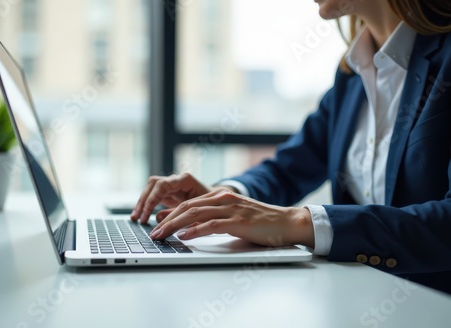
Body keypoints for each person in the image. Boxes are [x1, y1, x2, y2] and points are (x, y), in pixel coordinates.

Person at [131, 0, 451, 294]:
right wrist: (224, 197)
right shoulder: (352, 74)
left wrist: (300, 223)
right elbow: (289, 168)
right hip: (360, 300)